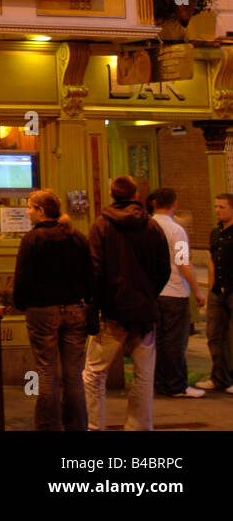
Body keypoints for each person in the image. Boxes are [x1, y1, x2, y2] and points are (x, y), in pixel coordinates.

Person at [82, 176, 171, 430]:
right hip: (143, 312)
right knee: (143, 375)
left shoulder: (101, 225)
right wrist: (149, 294)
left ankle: (94, 426)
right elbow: (164, 269)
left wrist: (96, 306)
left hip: (112, 312)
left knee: (94, 374)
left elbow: (95, 270)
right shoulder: (152, 227)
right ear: (136, 195)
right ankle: (139, 427)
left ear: (112, 194)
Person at [13, 190, 94, 430]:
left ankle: (48, 427)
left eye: (30, 207)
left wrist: (21, 303)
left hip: (43, 311)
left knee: (47, 372)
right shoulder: (76, 237)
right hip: (75, 309)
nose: (27, 212)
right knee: (73, 374)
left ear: (41, 211)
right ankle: (77, 426)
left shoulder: (32, 240)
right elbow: (90, 276)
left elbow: (22, 279)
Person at [149, 189, 206, 397]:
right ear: (174, 204)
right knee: (175, 341)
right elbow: (183, 262)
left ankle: (160, 382)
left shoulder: (147, 226)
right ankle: (176, 385)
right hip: (174, 291)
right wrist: (198, 291)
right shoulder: (176, 230)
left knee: (158, 340)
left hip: (154, 292)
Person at [197, 193, 233, 393]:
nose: (217, 210)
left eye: (222, 207)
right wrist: (210, 283)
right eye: (216, 206)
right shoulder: (215, 232)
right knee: (214, 335)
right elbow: (211, 257)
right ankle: (220, 378)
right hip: (217, 292)